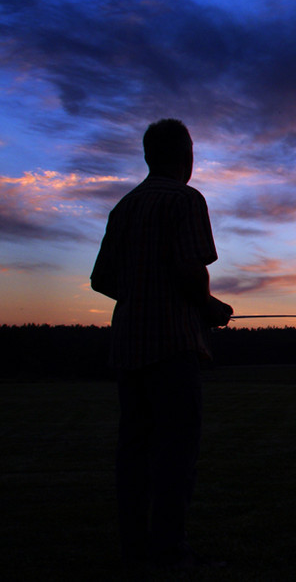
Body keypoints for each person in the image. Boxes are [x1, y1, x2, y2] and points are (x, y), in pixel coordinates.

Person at [91, 118, 233, 571]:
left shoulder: (124, 207)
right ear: (184, 156)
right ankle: (170, 551)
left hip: (128, 347)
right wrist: (210, 309)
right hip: (173, 347)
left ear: (149, 156)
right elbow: (191, 271)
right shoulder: (186, 200)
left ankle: (134, 548)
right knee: (176, 452)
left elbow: (101, 280)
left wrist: (141, 293)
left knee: (133, 452)